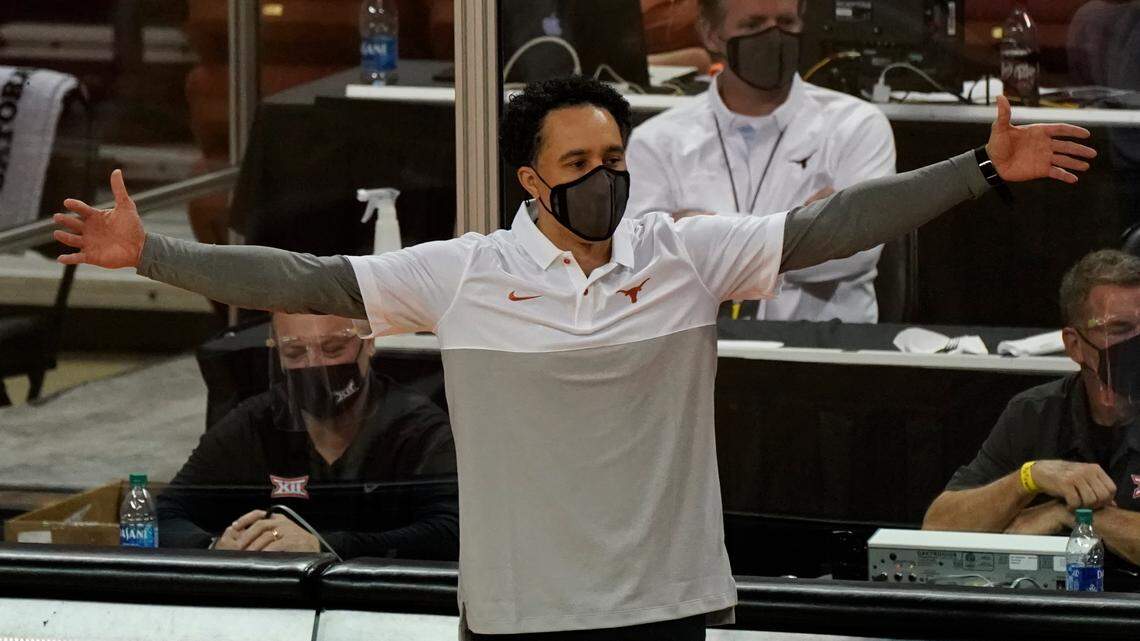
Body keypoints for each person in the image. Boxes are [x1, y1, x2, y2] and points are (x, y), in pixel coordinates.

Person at [54, 75, 1092, 639]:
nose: (604, 179)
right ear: (529, 178)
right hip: (522, 614)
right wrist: (154, 254)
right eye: (578, 164)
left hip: (668, 603)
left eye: (614, 159)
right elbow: (308, 279)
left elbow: (829, 224)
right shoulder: (465, 271)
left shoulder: (684, 253)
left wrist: (979, 174)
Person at [625, 0, 895, 322]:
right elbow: (643, 261)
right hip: (698, 350)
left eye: (785, 22)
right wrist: (808, 230)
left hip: (822, 353)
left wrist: (698, 232)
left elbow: (855, 253)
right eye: (753, 25)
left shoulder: (857, 125)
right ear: (711, 35)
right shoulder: (656, 141)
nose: (773, 37)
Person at [158, 312, 459, 560]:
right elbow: (161, 514)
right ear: (276, 354)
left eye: (332, 349)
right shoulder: (254, 422)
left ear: (369, 344)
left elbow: (455, 531)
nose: (314, 366)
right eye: (295, 352)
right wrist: (215, 546)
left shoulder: (418, 430)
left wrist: (323, 546)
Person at [923, 250, 1140, 566]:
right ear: (1074, 344)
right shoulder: (1035, 413)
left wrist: (1066, 513)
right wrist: (1028, 478)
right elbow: (937, 529)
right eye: (1119, 329)